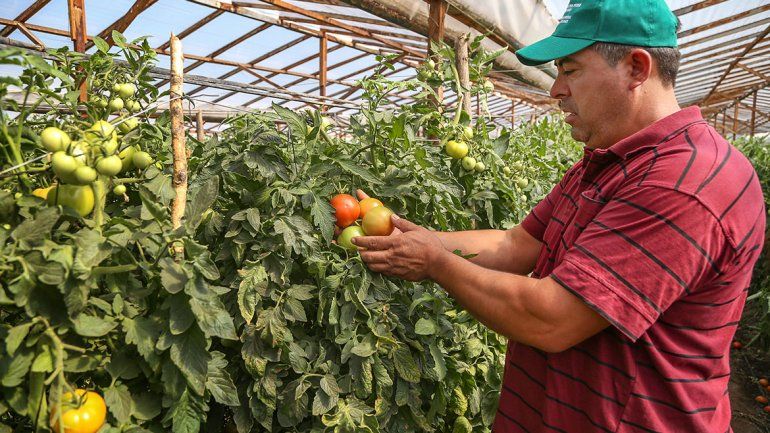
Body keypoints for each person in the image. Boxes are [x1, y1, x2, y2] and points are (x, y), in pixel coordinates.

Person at [351, 0, 766, 432]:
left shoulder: (684, 182)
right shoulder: (607, 162)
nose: (555, 90)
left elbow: (553, 319)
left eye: (569, 70)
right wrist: (421, 239)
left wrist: (434, 262)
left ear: (636, 68)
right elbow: (515, 245)